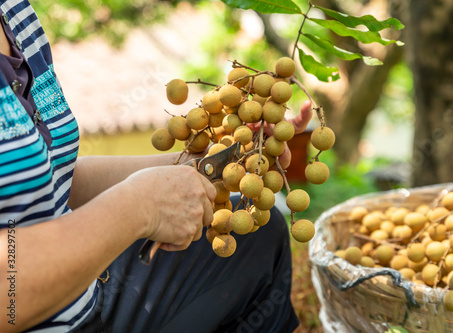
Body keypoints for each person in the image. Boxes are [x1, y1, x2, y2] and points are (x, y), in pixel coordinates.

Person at [0, 1, 313, 332]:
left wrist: (204, 166)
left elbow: (50, 182)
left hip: (83, 294)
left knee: (260, 238)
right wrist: (140, 208)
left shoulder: (14, 13)